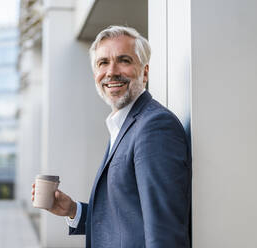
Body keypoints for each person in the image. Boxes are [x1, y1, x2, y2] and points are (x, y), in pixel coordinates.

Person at [32, 25, 192, 248]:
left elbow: (164, 231)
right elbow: (127, 220)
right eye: (103, 63)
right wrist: (73, 210)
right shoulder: (124, 124)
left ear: (145, 72)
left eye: (124, 60)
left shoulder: (154, 127)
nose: (111, 71)